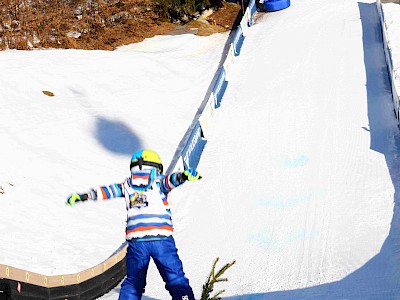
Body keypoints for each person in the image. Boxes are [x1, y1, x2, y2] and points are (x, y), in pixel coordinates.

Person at [67, 149, 201, 300]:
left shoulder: (127, 185)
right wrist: (183, 176)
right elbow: (171, 180)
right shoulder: (158, 182)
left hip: (137, 242)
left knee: (133, 281)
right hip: (161, 239)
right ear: (157, 168)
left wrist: (85, 196)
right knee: (174, 277)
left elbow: (108, 191)